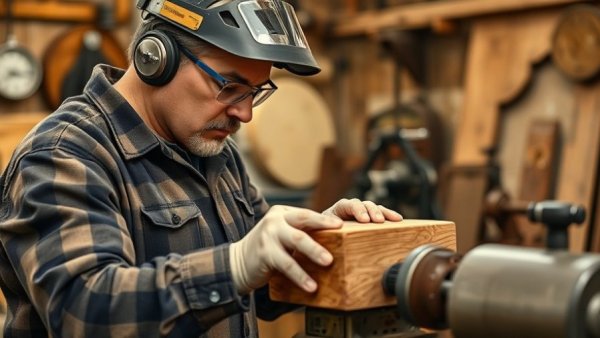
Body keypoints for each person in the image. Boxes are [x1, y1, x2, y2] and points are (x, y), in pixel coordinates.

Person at [0, 0, 403, 337]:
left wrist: (318, 242)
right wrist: (234, 265)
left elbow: (261, 287)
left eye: (255, 92)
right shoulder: (64, 155)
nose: (244, 114)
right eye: (228, 86)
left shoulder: (214, 153)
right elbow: (85, 312)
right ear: (154, 58)